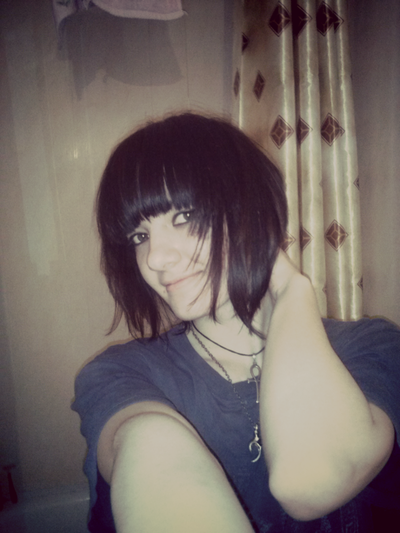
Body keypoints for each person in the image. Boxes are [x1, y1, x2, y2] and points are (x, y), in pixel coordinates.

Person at [72, 113, 400, 533]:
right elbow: (152, 451)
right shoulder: (120, 373)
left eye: (184, 216)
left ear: (250, 212)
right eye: (139, 236)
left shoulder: (373, 346)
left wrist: (294, 291)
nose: (155, 258)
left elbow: (309, 483)